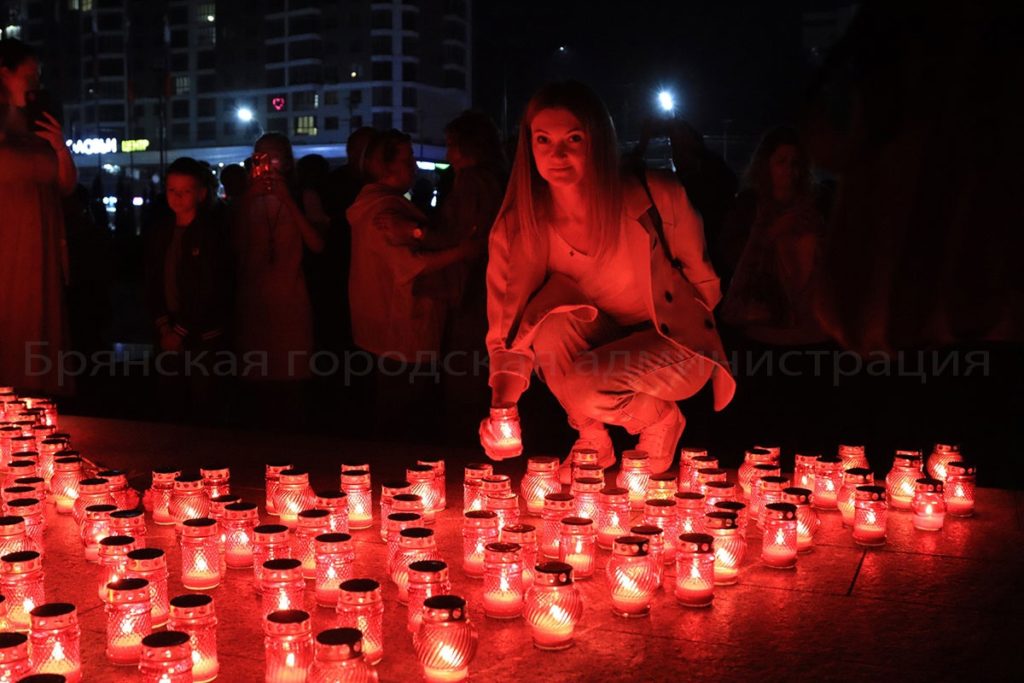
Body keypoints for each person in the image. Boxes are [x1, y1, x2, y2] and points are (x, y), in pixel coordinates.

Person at [478, 82, 735, 479]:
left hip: (672, 342)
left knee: (586, 383)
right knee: (547, 322)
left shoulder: (657, 196)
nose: (557, 153)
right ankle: (593, 439)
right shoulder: (522, 226)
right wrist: (502, 408)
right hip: (598, 342)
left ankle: (660, 421)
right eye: (542, 139)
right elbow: (509, 327)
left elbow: (704, 284)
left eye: (573, 138)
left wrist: (656, 344)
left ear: (597, 140)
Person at [347, 129, 482, 437]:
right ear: (384, 167)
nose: (416, 168)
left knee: (396, 411)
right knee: (401, 419)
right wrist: (463, 251)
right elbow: (411, 265)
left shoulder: (376, 206)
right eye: (408, 160)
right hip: (402, 332)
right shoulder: (384, 210)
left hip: (388, 330)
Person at [231, 133, 324, 425]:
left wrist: (287, 199)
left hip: (292, 299)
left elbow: (318, 244)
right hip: (254, 300)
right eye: (260, 158)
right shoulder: (244, 197)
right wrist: (249, 197)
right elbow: (229, 244)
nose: (268, 165)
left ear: (286, 160)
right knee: (258, 383)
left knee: (291, 383)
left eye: (274, 158)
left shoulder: (302, 194)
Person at [0, 38, 77, 394]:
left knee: (39, 323)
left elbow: (65, 185)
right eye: (28, 74)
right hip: (7, 244)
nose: (35, 81)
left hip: (41, 244)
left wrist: (60, 146)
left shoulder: (40, 127)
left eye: (38, 74)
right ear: (4, 74)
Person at [718, 126, 827, 345]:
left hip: (808, 320)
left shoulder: (812, 206)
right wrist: (773, 233)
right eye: (781, 162)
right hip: (762, 315)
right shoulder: (749, 205)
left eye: (795, 163)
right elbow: (730, 253)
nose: (789, 170)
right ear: (766, 165)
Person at [144, 157, 233, 422]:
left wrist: (179, 331)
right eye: (172, 190)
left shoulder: (210, 234)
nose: (178, 197)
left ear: (201, 194)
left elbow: (209, 288)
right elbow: (152, 281)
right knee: (171, 402)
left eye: (185, 191)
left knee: (204, 403)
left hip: (202, 336)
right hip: (168, 331)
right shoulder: (161, 232)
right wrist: (163, 326)